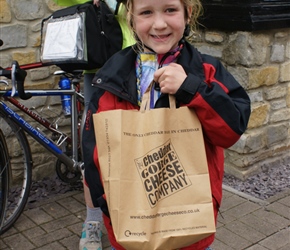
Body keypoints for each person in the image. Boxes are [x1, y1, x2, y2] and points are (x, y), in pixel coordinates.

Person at [82, 0, 251, 249]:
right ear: (131, 17)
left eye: (170, 10)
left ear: (187, 13)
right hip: (131, 221)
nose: (159, 24)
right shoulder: (112, 73)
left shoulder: (207, 71)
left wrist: (191, 88)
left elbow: (231, 129)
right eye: (146, 12)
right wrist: (107, 202)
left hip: (190, 223)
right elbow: (94, 149)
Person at [53, 0, 134, 250]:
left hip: (138, 55)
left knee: (136, 144)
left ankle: (135, 215)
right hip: (100, 60)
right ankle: (93, 222)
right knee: (95, 148)